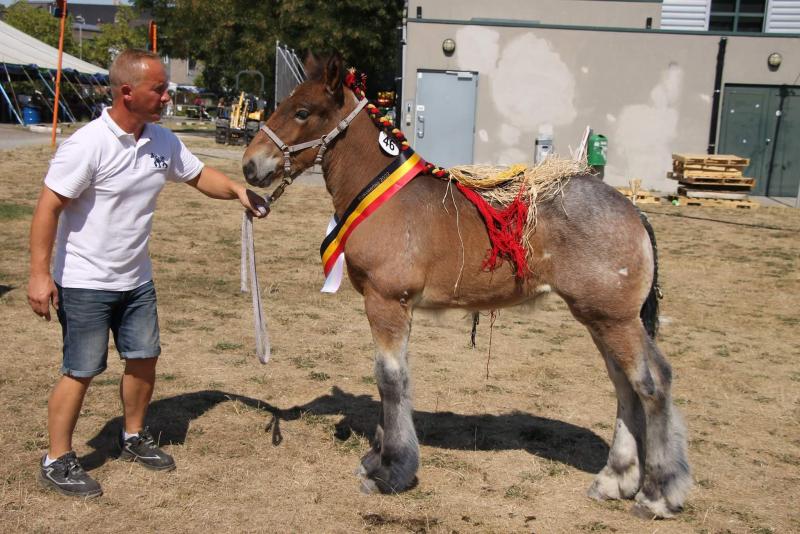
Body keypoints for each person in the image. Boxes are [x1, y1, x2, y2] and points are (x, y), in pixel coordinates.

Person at [27, 49, 269, 498]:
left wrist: (236, 189)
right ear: (127, 92)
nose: (166, 97)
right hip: (85, 282)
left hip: (136, 279)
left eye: (166, 88)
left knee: (143, 359)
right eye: (159, 89)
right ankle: (56, 459)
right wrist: (40, 275)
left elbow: (198, 176)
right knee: (81, 369)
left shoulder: (160, 139)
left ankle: (133, 436)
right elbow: (48, 209)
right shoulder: (87, 145)